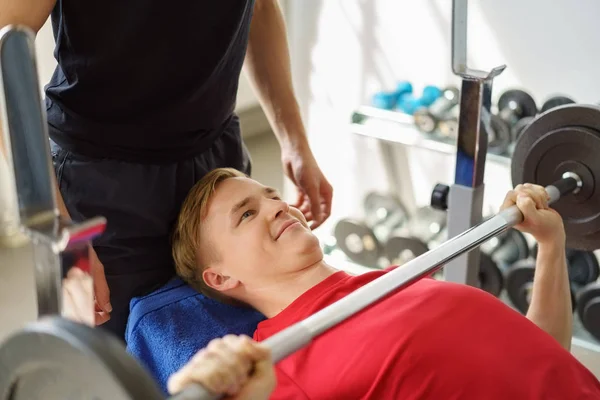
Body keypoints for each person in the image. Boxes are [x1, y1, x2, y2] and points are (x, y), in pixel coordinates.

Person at [0, 0, 332, 340]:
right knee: (124, 361)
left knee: (250, 348)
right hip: (102, 181)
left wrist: (294, 139)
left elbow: (259, 7)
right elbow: (4, 47)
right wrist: (59, 226)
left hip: (217, 162)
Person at [160, 168, 600, 399]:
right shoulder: (275, 368)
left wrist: (550, 242)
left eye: (271, 196)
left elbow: (543, 352)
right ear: (221, 277)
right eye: (247, 214)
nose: (276, 207)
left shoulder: (400, 279)